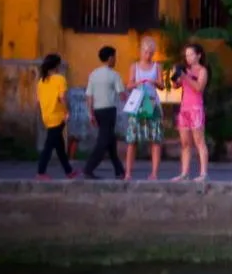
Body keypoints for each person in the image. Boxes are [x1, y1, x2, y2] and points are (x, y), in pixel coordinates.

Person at [121, 36, 167, 181]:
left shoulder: (157, 66)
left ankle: (154, 173)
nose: (148, 55)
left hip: (152, 103)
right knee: (132, 139)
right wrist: (137, 83)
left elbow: (162, 85)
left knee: (155, 139)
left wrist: (154, 82)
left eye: (150, 52)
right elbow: (128, 85)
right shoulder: (134, 66)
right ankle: (128, 173)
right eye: (145, 52)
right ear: (141, 51)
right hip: (138, 104)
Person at [82, 45, 126, 179]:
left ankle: (119, 171)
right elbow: (122, 95)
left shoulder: (93, 74)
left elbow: (89, 95)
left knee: (110, 140)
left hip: (97, 111)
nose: (116, 60)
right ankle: (88, 168)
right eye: (115, 57)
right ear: (110, 58)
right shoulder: (115, 75)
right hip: (109, 111)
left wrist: (90, 114)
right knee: (103, 141)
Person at [170, 43, 211, 181]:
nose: (188, 57)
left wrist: (186, 76)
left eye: (191, 54)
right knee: (185, 143)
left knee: (199, 141)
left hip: (195, 108)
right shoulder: (185, 69)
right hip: (184, 108)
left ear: (198, 55)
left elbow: (199, 88)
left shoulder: (202, 71)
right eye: (186, 55)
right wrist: (175, 76)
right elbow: (176, 86)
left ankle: (204, 174)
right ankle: (184, 173)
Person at [35, 53, 76, 180]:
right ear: (56, 65)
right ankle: (41, 172)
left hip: (47, 116)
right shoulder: (60, 79)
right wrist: (67, 111)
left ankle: (68, 171)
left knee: (59, 145)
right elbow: (62, 97)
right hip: (58, 116)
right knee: (49, 145)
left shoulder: (41, 82)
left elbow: (38, 100)